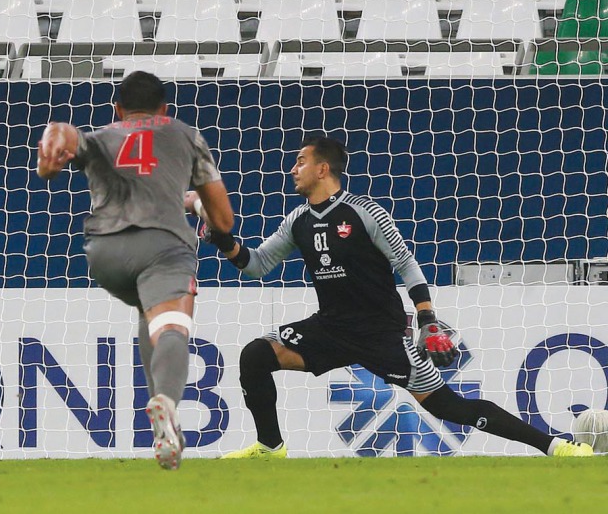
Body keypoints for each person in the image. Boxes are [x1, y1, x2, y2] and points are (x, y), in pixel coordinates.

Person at [199, 135, 593, 458]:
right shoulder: (297, 220)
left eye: (300, 161)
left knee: (448, 406)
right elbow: (257, 264)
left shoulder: (364, 211)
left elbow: (406, 264)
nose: (293, 169)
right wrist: (222, 240)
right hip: (330, 328)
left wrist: (427, 321)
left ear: (323, 169)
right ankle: (271, 447)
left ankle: (555, 447)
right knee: (255, 355)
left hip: (380, 334)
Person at [36, 70, 234, 470]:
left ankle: (165, 423)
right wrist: (201, 208)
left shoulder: (102, 136)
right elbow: (225, 220)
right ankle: (166, 403)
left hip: (104, 255)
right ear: (164, 108)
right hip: (163, 248)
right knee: (172, 327)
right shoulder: (185, 135)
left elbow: (67, 136)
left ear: (117, 109)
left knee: (151, 313)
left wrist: (56, 136)